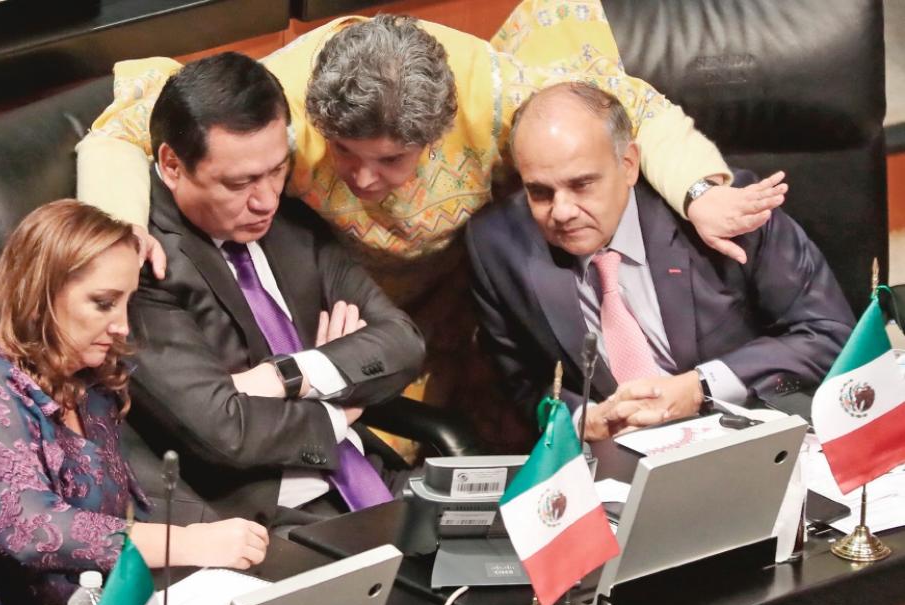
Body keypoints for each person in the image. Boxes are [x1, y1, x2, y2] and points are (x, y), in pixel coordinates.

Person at [76, 2, 786, 448]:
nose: (360, 178)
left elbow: (629, 113)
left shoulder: (496, 90)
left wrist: (700, 190)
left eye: (387, 160)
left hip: (459, 297)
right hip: (342, 290)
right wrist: (117, 230)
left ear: (439, 134)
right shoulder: (286, 89)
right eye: (342, 153)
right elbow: (120, 131)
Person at [0, 201, 269, 605]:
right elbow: (33, 531)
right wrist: (189, 542)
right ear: (40, 293)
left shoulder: (90, 384)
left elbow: (116, 515)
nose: (122, 325)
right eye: (103, 303)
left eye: (127, 303)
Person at [125, 52, 424, 527]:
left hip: (368, 475)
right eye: (240, 182)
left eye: (276, 170)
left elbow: (402, 343)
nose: (265, 200)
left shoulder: (291, 221)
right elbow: (224, 430)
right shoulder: (139, 263)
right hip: (264, 514)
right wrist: (334, 412)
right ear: (173, 165)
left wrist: (293, 375)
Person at [465, 82, 855, 440]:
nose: (562, 211)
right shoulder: (498, 246)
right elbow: (521, 385)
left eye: (581, 184)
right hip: (617, 465)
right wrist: (581, 418)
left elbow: (828, 334)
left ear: (628, 164)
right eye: (540, 193)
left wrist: (701, 387)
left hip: (746, 434)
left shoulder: (727, 212)